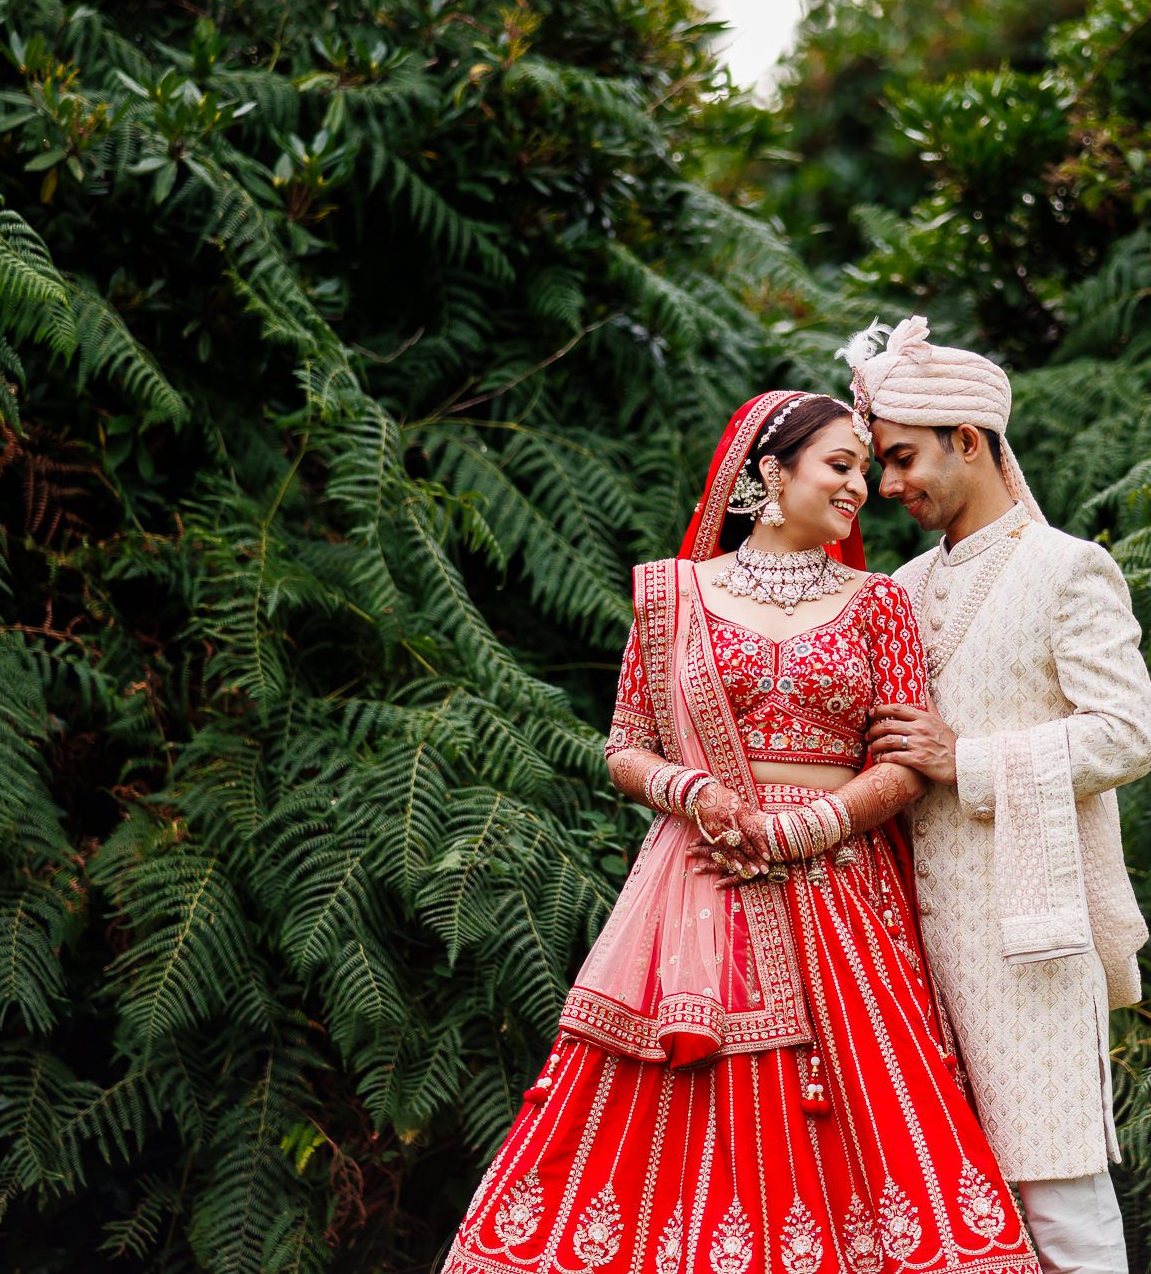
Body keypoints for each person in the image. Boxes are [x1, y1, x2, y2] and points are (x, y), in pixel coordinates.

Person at [441, 390, 1040, 1274]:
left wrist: (807, 826)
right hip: (698, 880)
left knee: (869, 1119)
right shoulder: (673, 595)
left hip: (839, 892)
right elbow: (624, 746)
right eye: (839, 465)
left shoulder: (880, 605)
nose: (860, 489)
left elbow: (905, 765)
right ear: (769, 471)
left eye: (867, 471)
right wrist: (695, 792)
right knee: (667, 1115)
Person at [848, 318, 1151, 1274]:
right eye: (879, 463)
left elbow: (1128, 734)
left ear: (970, 441)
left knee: (1060, 1199)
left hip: (1031, 942)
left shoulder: (1066, 567)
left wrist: (967, 759)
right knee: (950, 1215)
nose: (888, 485)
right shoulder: (897, 587)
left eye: (902, 459)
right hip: (908, 949)